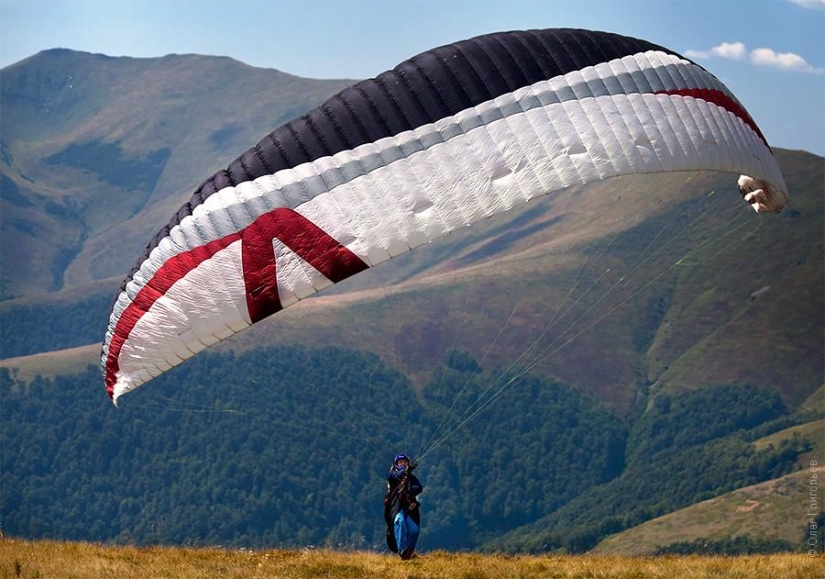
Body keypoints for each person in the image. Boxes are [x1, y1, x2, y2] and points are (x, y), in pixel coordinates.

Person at [383, 453, 423, 560]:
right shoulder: (392, 476)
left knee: (414, 530)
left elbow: (419, 488)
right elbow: (396, 476)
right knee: (400, 522)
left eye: (405, 462)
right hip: (396, 508)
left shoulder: (412, 478)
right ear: (396, 464)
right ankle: (402, 551)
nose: (403, 464)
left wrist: (410, 491)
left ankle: (409, 553)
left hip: (409, 509)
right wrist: (405, 471)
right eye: (400, 462)